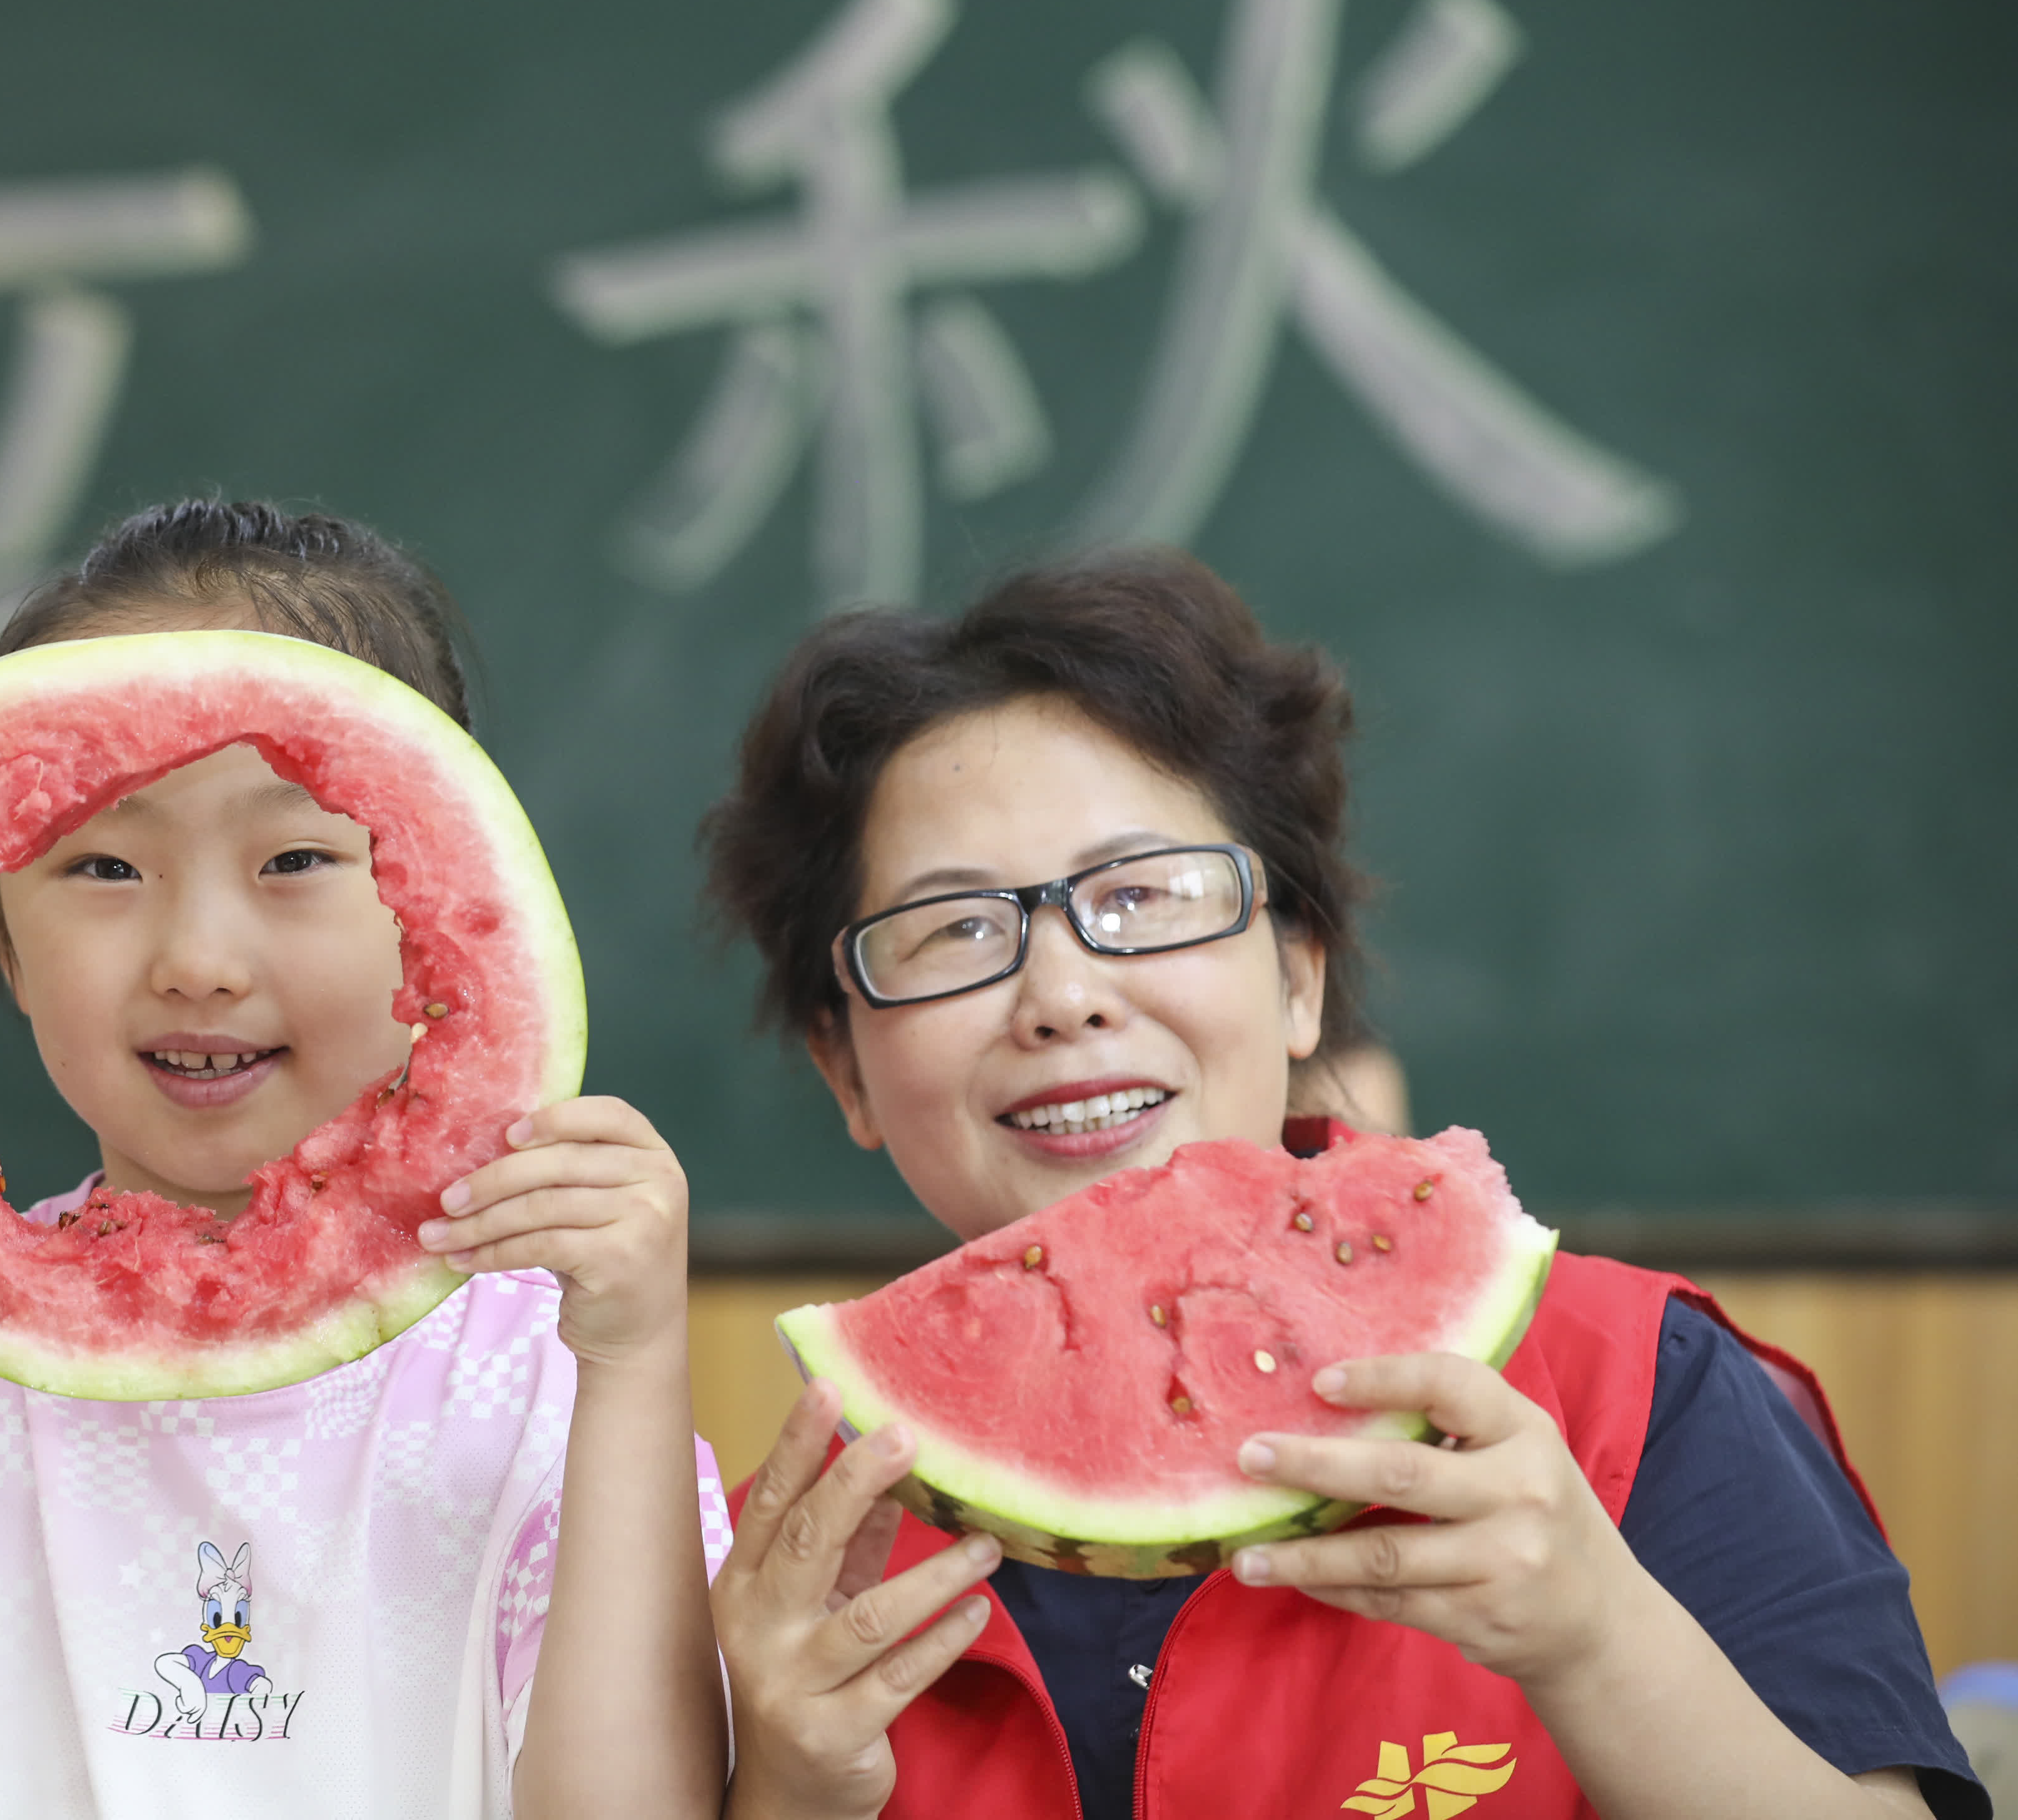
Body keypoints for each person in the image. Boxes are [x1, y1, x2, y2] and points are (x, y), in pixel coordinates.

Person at [697, 550, 1984, 1820]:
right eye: (956, 929)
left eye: (1143, 895)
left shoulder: (1638, 1389)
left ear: (1299, 975)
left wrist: (1597, 1642)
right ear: (844, 1067)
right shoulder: (784, 1580)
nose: (1064, 996)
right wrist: (787, 1797)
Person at [0, 501, 727, 1820]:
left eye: (294, 856)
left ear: (441, 913)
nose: (198, 958)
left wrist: (632, 1367)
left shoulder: (544, 1381)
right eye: (105, 866)